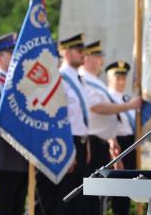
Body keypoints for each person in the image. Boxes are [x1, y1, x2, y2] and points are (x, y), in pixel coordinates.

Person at [35, 33, 95, 215]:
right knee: (64, 200)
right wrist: (67, 148)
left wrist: (87, 143)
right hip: (67, 143)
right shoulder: (59, 79)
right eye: (78, 50)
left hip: (82, 142)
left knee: (78, 201)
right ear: (66, 53)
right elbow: (57, 116)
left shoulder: (80, 79)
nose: (83, 54)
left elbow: (81, 116)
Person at [79, 42, 141, 214]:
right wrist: (128, 107)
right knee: (103, 192)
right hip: (100, 142)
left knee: (123, 189)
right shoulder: (91, 83)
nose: (102, 60)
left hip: (121, 143)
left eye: (123, 78)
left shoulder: (122, 95)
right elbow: (99, 110)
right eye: (98, 57)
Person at [0, 33, 29, 215]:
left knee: (17, 208)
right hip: (3, 157)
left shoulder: (21, 84)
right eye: (11, 53)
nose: (16, 57)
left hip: (23, 158)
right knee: (1, 208)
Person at [106, 61, 137, 215]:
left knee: (127, 189)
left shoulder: (126, 98)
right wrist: (115, 153)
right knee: (116, 191)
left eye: (123, 78)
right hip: (116, 144)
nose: (121, 82)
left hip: (130, 143)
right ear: (109, 78)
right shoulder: (107, 97)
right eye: (117, 78)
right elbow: (108, 125)